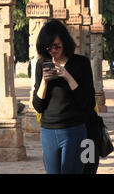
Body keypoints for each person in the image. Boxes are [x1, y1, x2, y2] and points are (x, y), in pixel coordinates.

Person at [33, 20, 96, 174]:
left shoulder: (81, 63)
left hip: (74, 129)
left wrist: (68, 76)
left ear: (65, 43)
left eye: (57, 46)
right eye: (48, 48)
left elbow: (88, 102)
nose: (53, 51)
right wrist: (44, 81)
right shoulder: (42, 64)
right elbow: (38, 105)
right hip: (48, 131)